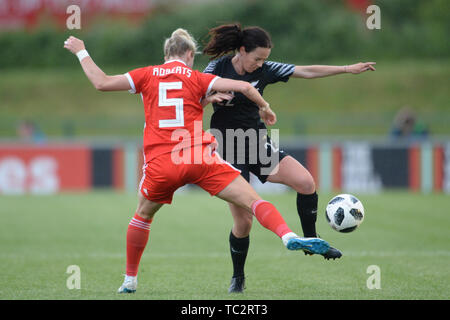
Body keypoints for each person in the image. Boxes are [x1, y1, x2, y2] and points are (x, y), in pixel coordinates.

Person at [64, 28, 330, 294]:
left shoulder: (145, 75)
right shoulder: (196, 77)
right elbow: (246, 87)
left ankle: (129, 280)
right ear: (190, 54)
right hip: (196, 156)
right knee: (254, 201)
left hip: (162, 163)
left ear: (166, 53)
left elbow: (101, 82)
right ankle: (288, 235)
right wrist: (265, 106)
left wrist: (81, 51)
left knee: (142, 216)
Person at [202, 23, 376, 293]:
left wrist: (346, 69)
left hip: (257, 143)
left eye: (265, 59)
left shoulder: (265, 69)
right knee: (244, 222)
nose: (261, 63)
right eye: (257, 58)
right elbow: (193, 95)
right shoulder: (216, 69)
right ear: (241, 50)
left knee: (305, 182)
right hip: (227, 148)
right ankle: (238, 277)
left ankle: (312, 240)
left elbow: (304, 71)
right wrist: (212, 97)